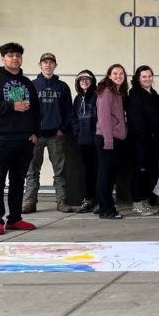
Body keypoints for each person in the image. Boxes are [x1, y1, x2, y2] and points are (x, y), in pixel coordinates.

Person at [0, 41, 40, 236]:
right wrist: (11, 106)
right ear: (3, 58)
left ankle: (15, 219)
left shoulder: (27, 82)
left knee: (18, 181)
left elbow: (36, 110)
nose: (15, 59)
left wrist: (35, 132)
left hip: (24, 140)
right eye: (11, 55)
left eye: (18, 55)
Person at [22, 52, 73, 214]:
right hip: (36, 136)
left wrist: (62, 129)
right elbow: (25, 110)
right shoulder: (31, 85)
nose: (48, 65)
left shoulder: (62, 87)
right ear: (40, 65)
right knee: (32, 170)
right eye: (45, 62)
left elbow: (68, 111)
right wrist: (30, 131)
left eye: (51, 62)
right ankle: (30, 201)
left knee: (60, 170)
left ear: (55, 65)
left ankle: (61, 201)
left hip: (55, 136)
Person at [127, 65, 159, 216]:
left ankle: (145, 201)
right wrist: (148, 135)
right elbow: (136, 121)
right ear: (138, 78)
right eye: (144, 76)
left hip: (153, 142)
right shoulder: (135, 95)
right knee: (140, 171)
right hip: (140, 143)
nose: (147, 79)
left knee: (150, 172)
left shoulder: (153, 93)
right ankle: (137, 202)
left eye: (149, 76)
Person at [95, 63, 129, 220]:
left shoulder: (118, 92)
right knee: (105, 175)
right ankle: (106, 210)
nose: (118, 76)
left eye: (121, 73)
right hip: (107, 138)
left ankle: (104, 206)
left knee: (109, 175)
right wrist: (108, 141)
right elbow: (104, 118)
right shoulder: (107, 92)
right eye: (115, 73)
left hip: (116, 138)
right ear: (109, 75)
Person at [71, 69, 98, 213]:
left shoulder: (97, 96)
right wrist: (77, 133)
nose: (84, 82)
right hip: (82, 141)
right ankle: (88, 199)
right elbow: (73, 118)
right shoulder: (77, 99)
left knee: (98, 171)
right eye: (81, 80)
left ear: (92, 81)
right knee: (86, 171)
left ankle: (99, 199)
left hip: (96, 140)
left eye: (87, 79)